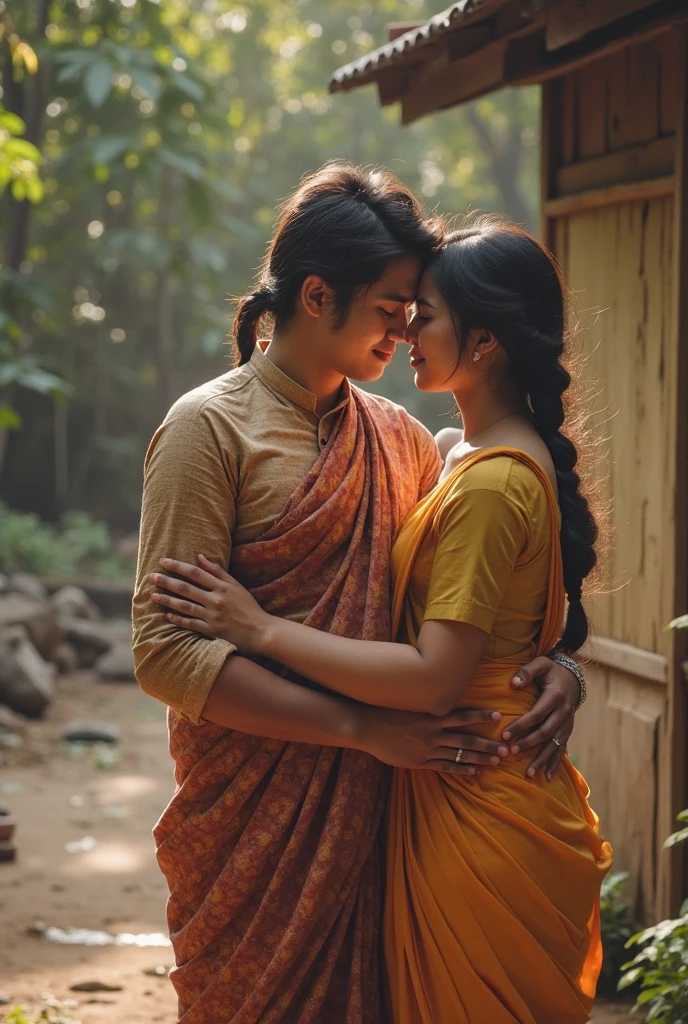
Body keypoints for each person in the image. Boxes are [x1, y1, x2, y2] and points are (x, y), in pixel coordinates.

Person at [135, 169, 586, 1024]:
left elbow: (480, 592)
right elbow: (166, 654)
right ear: (316, 296)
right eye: (391, 308)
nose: (407, 328)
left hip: (387, 812)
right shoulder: (208, 429)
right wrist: (359, 730)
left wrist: (558, 661)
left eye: (416, 310)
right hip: (255, 818)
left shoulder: (403, 439)